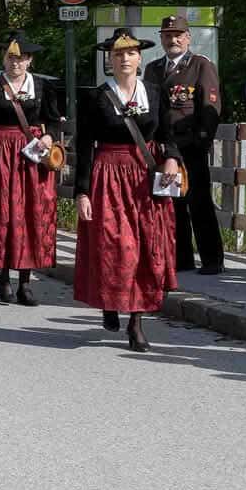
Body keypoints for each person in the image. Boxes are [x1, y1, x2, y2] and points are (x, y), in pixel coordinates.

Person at [73, 28, 183, 353]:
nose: (124, 58)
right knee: (115, 246)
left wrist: (173, 160)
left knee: (144, 249)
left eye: (130, 53)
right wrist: (82, 192)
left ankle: (136, 321)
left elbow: (167, 134)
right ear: (109, 59)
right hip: (107, 174)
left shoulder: (154, 91)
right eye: (118, 54)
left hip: (145, 178)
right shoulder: (95, 97)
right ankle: (110, 302)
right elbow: (84, 146)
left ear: (139, 58)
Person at [0, 32, 65, 305]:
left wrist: (48, 137)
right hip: (0, 154)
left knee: (31, 215)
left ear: (29, 60)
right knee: (3, 215)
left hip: (32, 157)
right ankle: (3, 278)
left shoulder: (43, 87)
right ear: (4, 58)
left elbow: (54, 121)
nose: (15, 63)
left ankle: (25, 282)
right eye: (11, 58)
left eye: (20, 59)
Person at [145, 15, 224, 275]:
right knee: (172, 205)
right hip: (165, 147)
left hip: (191, 146)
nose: (173, 40)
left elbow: (210, 108)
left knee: (199, 203)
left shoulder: (199, 66)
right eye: (168, 35)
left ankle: (212, 260)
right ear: (161, 38)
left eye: (179, 35)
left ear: (188, 38)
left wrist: (201, 141)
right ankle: (182, 258)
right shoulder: (154, 69)